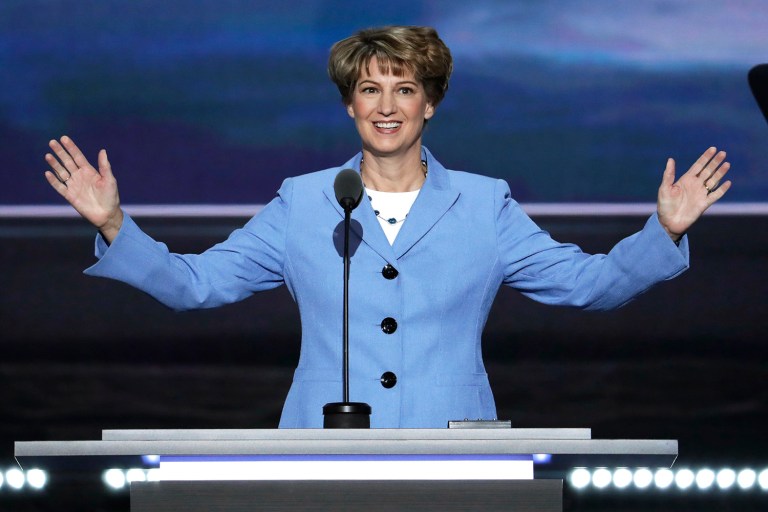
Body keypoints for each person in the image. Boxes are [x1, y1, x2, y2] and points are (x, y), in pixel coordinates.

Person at [43, 26, 731, 428]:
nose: (387, 105)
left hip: (456, 449)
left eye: (405, 89)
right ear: (349, 107)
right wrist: (114, 225)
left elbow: (592, 286)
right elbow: (195, 286)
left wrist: (662, 232)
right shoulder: (304, 201)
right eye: (369, 89)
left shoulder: (485, 203)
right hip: (321, 447)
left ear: (430, 104)